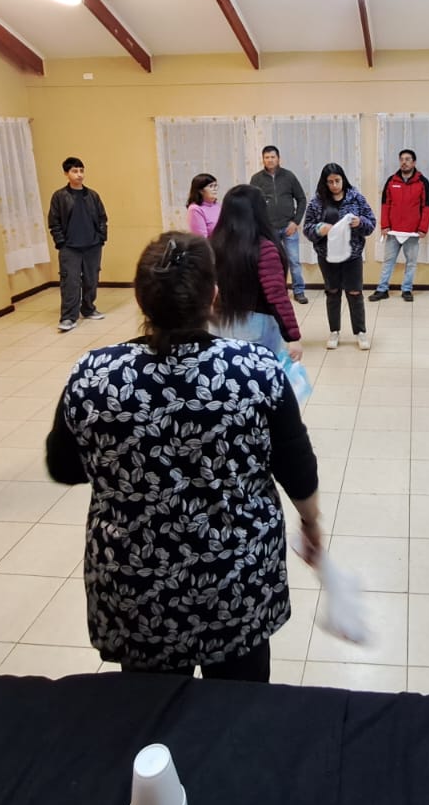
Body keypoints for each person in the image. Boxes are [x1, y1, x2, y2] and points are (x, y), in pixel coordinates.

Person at [44, 232, 322, 681]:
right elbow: (297, 467)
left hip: (137, 586)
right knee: (239, 706)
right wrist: (310, 524)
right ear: (213, 296)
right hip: (235, 582)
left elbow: (63, 467)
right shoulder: (256, 371)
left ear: (140, 299)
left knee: (153, 711)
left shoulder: (93, 374)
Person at [211, 184, 302, 362]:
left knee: (227, 374)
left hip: (218, 323)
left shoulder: (213, 244)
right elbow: (276, 295)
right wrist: (293, 336)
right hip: (255, 327)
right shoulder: (263, 248)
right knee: (259, 375)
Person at [303, 163, 376, 351]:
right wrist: (320, 229)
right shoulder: (317, 202)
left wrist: (360, 223)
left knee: (354, 292)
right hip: (327, 256)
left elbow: (371, 224)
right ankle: (334, 331)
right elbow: (307, 228)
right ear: (324, 183)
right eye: (330, 182)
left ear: (343, 179)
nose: (334, 185)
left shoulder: (356, 198)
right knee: (333, 292)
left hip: (352, 255)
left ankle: (360, 332)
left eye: (337, 180)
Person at [48, 156, 109, 331]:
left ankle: (88, 308)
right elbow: (54, 222)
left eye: (81, 170)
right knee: (70, 282)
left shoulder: (92, 195)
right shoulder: (59, 196)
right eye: (75, 171)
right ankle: (68, 317)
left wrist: (101, 238)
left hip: (92, 245)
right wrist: (61, 242)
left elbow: (102, 218)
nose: (79, 174)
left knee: (91, 279)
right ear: (66, 173)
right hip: (70, 248)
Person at [371, 149, 429, 303]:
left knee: (411, 263)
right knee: (388, 261)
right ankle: (382, 289)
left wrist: (423, 228)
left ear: (414, 162)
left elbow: (427, 207)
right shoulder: (391, 181)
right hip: (393, 231)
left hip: (412, 232)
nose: (404, 162)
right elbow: (385, 205)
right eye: (402, 159)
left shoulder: (423, 182)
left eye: (407, 159)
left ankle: (406, 289)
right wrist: (385, 226)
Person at [250, 146, 309, 304]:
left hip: (289, 227)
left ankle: (299, 291)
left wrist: (295, 222)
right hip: (268, 230)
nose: (270, 160)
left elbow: (302, 199)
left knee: (294, 261)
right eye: (267, 157)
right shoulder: (256, 179)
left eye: (272, 157)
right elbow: (252, 204)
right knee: (273, 263)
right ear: (263, 159)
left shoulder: (289, 176)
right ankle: (278, 292)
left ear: (278, 158)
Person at [185, 173, 220, 238]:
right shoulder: (195, 209)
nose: (215, 189)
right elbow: (201, 239)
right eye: (211, 186)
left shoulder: (217, 205)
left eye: (215, 186)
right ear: (201, 191)